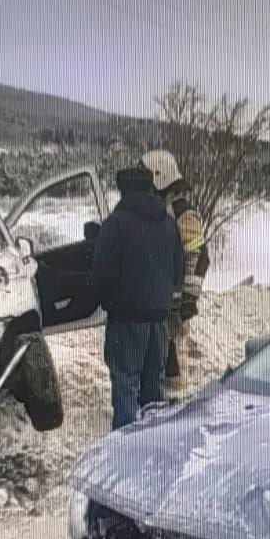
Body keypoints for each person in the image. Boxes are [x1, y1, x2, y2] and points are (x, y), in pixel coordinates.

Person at [92, 164, 184, 429]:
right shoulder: (168, 223)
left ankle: (124, 450)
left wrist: (109, 302)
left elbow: (102, 272)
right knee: (152, 387)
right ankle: (152, 445)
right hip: (160, 321)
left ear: (123, 190)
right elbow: (178, 271)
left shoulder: (116, 224)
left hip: (126, 320)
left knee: (125, 385)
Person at [140, 150, 210, 397]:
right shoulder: (160, 208)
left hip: (174, 300)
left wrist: (189, 296)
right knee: (159, 357)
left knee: (172, 361)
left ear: (159, 176)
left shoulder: (182, 212)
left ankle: (176, 405)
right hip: (159, 295)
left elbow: (198, 255)